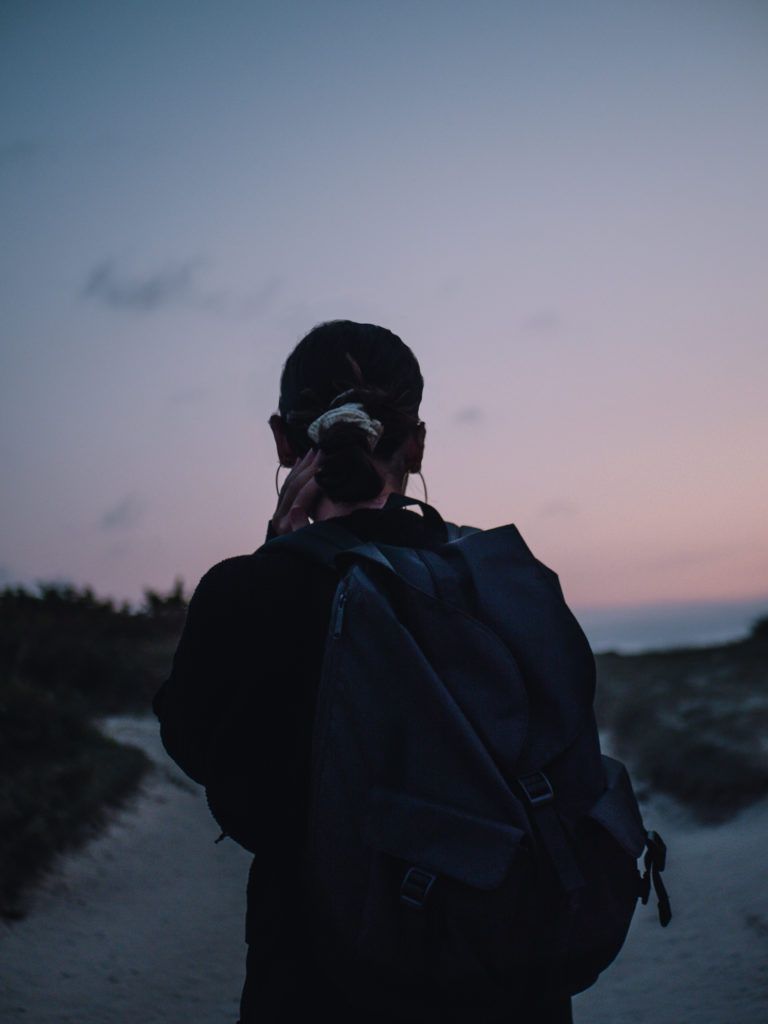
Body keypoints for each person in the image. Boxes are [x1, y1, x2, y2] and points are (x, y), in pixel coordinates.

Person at [152, 319, 574, 1023]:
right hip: (506, 969)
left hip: (322, 970)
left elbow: (199, 750)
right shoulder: (506, 579)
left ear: (284, 443)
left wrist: (270, 563)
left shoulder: (247, 590)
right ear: (416, 442)